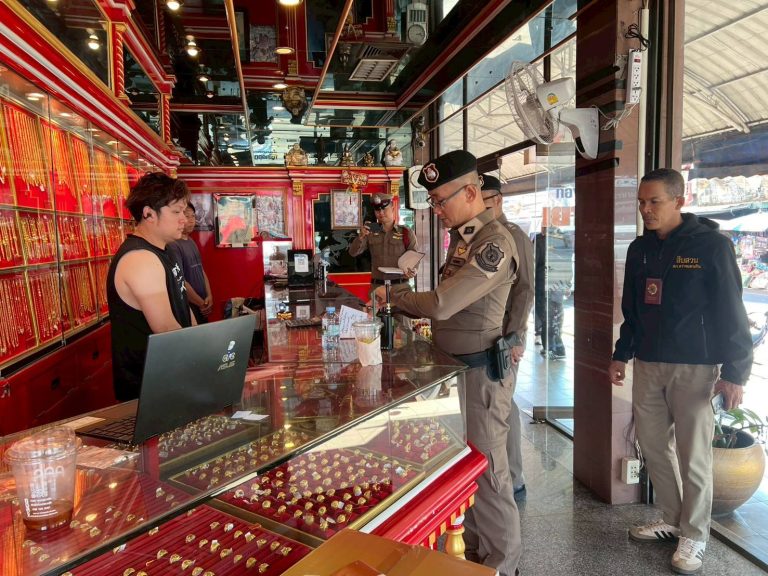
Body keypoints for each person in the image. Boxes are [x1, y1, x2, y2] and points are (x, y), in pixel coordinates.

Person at [374, 151, 522, 576]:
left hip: (481, 372)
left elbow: (442, 303)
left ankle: (503, 564)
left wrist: (395, 297)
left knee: (489, 472)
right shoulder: (464, 238)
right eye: (433, 202)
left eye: (441, 200)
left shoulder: (494, 244)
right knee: (466, 465)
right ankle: (476, 553)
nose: (437, 210)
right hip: (457, 369)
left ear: (471, 192)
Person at [609, 168, 753, 575]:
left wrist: (735, 372)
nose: (646, 209)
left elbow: (731, 311)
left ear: (679, 201)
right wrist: (622, 354)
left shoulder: (711, 246)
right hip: (648, 363)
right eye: (641, 202)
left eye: (654, 201)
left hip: (696, 367)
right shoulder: (639, 249)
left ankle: (695, 535)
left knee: (694, 456)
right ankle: (672, 519)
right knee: (654, 447)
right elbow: (632, 310)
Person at [107, 172, 194, 402]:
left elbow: (184, 308)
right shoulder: (140, 258)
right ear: (148, 214)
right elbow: (165, 328)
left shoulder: (166, 250)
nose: (183, 219)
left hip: (172, 378)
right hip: (149, 389)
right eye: (176, 212)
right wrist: (205, 360)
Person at [481, 174, 534, 498]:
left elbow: (525, 289)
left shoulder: (514, 235)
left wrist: (514, 336)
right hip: (482, 332)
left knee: (504, 405)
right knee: (494, 404)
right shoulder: (478, 235)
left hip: (504, 333)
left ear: (498, 200)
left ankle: (514, 477)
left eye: (484, 202)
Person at [348, 193, 417, 292]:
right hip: (377, 287)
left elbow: (414, 257)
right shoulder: (370, 231)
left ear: (393, 209)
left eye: (384, 209)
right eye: (377, 210)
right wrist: (361, 236)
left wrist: (413, 270)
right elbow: (353, 252)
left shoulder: (405, 232)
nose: (381, 212)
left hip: (400, 288)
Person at [169, 202, 213, 324]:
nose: (192, 220)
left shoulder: (191, 241)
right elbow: (180, 281)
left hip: (202, 303)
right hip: (190, 306)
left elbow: (201, 270)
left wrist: (209, 296)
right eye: (187, 216)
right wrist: (201, 303)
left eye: (193, 216)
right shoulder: (173, 245)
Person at [534, 226, 569, 359]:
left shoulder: (540, 241)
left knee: (546, 317)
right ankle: (557, 348)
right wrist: (567, 284)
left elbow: (533, 263)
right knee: (556, 316)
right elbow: (567, 263)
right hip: (557, 285)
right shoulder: (563, 239)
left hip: (544, 285)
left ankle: (552, 349)